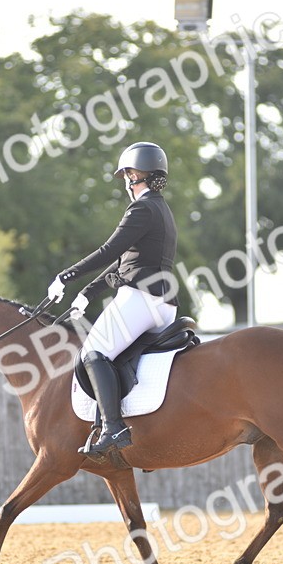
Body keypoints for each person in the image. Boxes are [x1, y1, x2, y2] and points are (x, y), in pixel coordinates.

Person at [47, 141, 179, 457]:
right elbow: (122, 262)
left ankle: (113, 427)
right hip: (164, 305)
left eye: (128, 175)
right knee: (112, 354)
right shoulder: (161, 210)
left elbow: (109, 251)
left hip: (140, 299)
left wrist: (65, 276)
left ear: (137, 176)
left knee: (93, 353)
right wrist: (86, 293)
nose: (126, 182)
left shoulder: (141, 209)